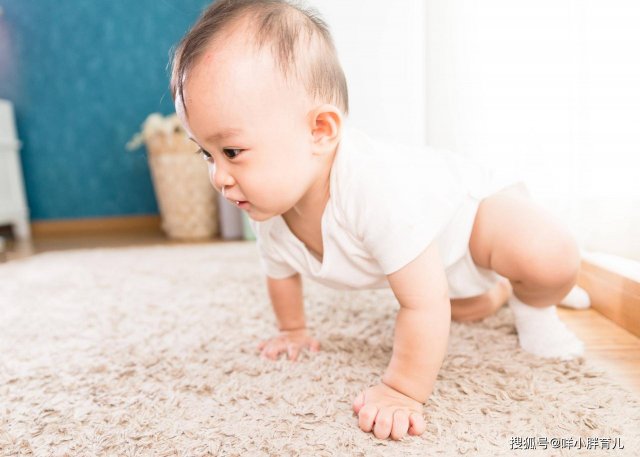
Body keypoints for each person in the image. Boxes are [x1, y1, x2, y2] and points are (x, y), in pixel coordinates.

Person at [170, 0, 589, 441]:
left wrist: (402, 391)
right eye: (206, 153)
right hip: (434, 265)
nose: (218, 176)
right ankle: (500, 289)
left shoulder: (373, 189)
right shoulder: (268, 203)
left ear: (321, 131)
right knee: (463, 308)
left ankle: (536, 305)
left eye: (231, 152)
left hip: (468, 218)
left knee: (548, 256)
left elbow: (422, 304)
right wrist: (292, 330)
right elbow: (280, 273)